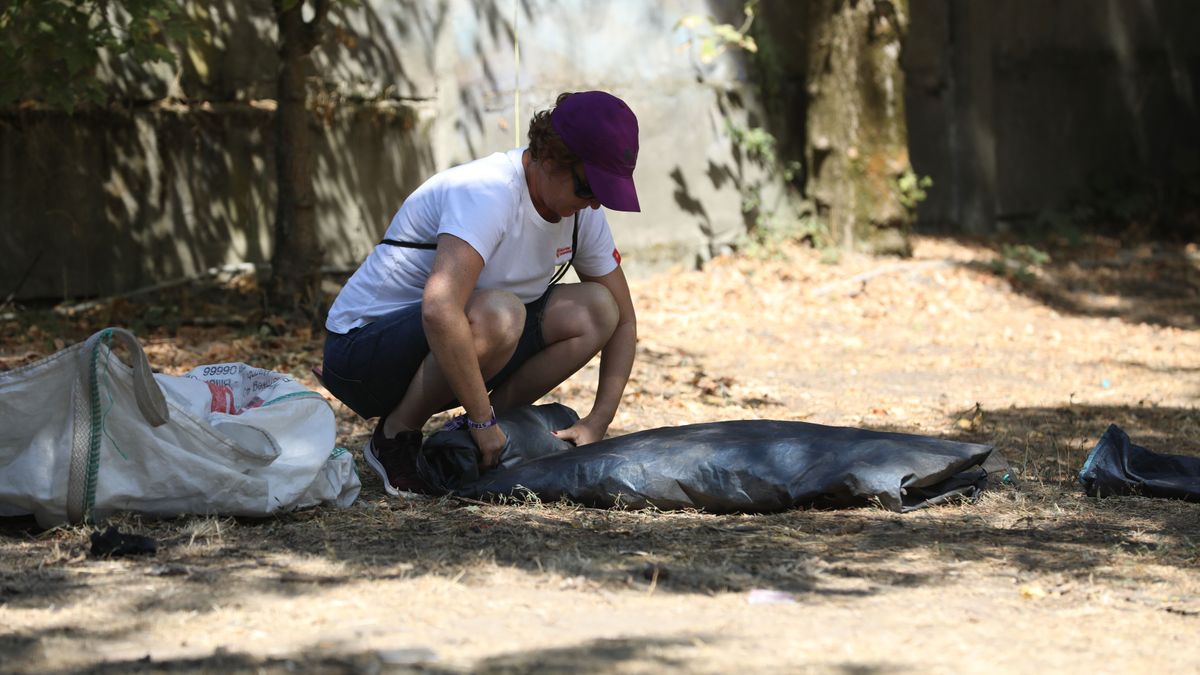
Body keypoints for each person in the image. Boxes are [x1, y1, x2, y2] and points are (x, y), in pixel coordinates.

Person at [320, 91, 641, 496]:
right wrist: (481, 418)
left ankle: (480, 435)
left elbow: (624, 320)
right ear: (548, 155)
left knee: (599, 309)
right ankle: (395, 437)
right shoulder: (488, 191)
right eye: (587, 187)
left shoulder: (582, 213)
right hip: (362, 353)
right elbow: (439, 307)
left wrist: (599, 419)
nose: (593, 203)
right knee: (500, 313)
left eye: (603, 193)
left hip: (451, 345)